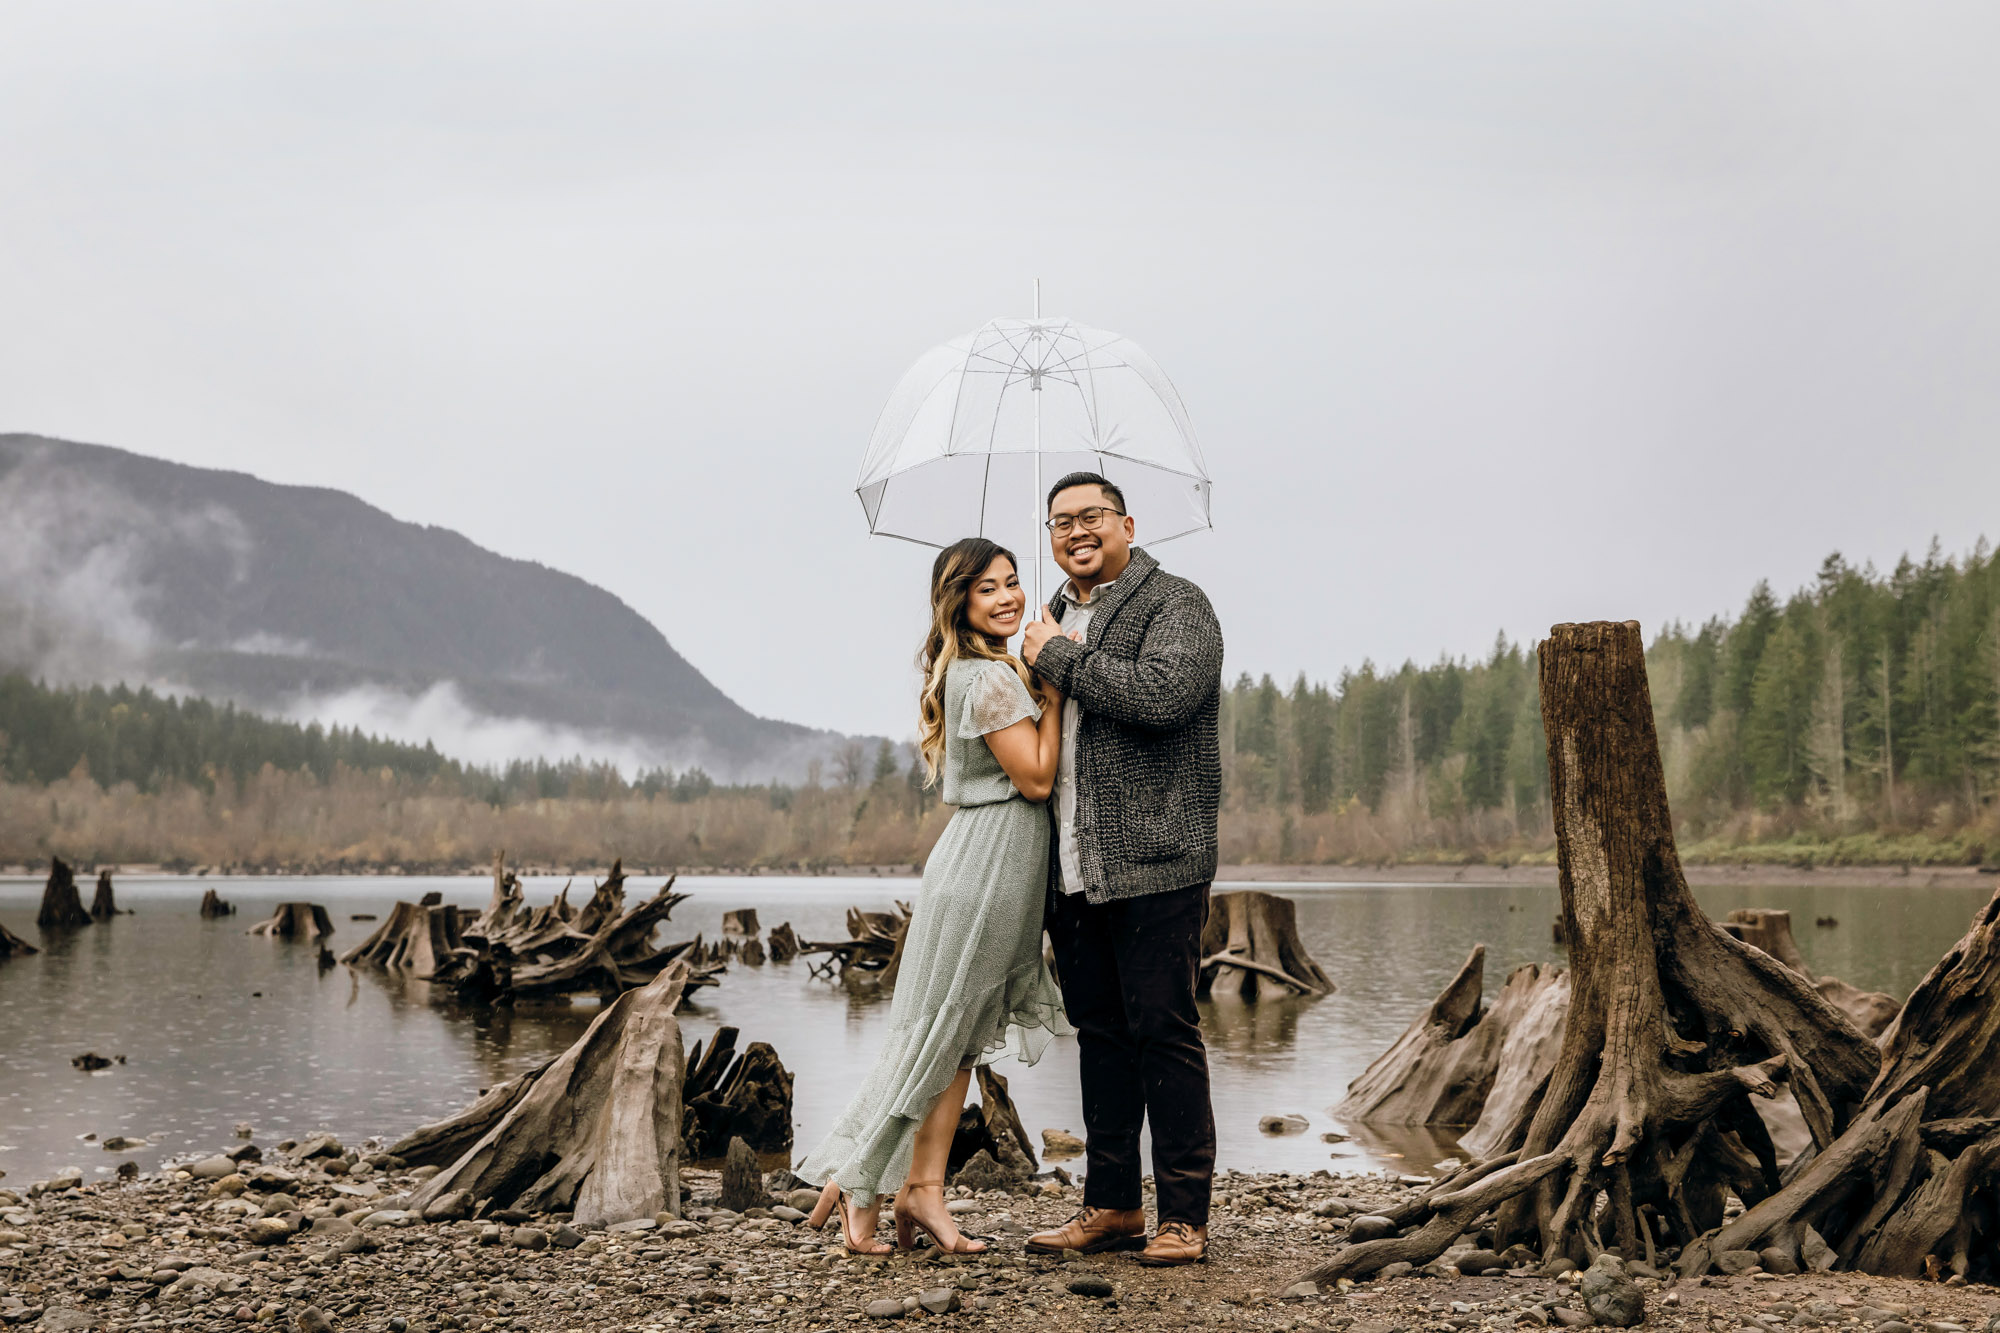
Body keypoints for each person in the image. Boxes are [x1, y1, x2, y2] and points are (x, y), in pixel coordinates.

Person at [798, 536, 1074, 1254]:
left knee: (946, 1043)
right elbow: (1038, 778)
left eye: (1014, 582)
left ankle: (908, 1190)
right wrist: (1059, 692)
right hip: (984, 871)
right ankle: (871, 1188)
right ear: (960, 602)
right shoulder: (988, 679)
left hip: (995, 866)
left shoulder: (992, 670)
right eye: (989, 588)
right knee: (938, 1038)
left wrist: (1038, 684)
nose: (1009, 596)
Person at [1019, 471, 1225, 1267]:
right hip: (1073, 868)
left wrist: (1060, 660)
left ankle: (1185, 1215)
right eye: (1060, 521)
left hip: (1157, 861)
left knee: (1164, 1033)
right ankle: (1111, 1205)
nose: (1076, 531)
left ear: (1126, 524)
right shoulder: (1052, 618)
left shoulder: (1177, 604)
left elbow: (1166, 695)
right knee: (1100, 1037)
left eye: (1091, 517)